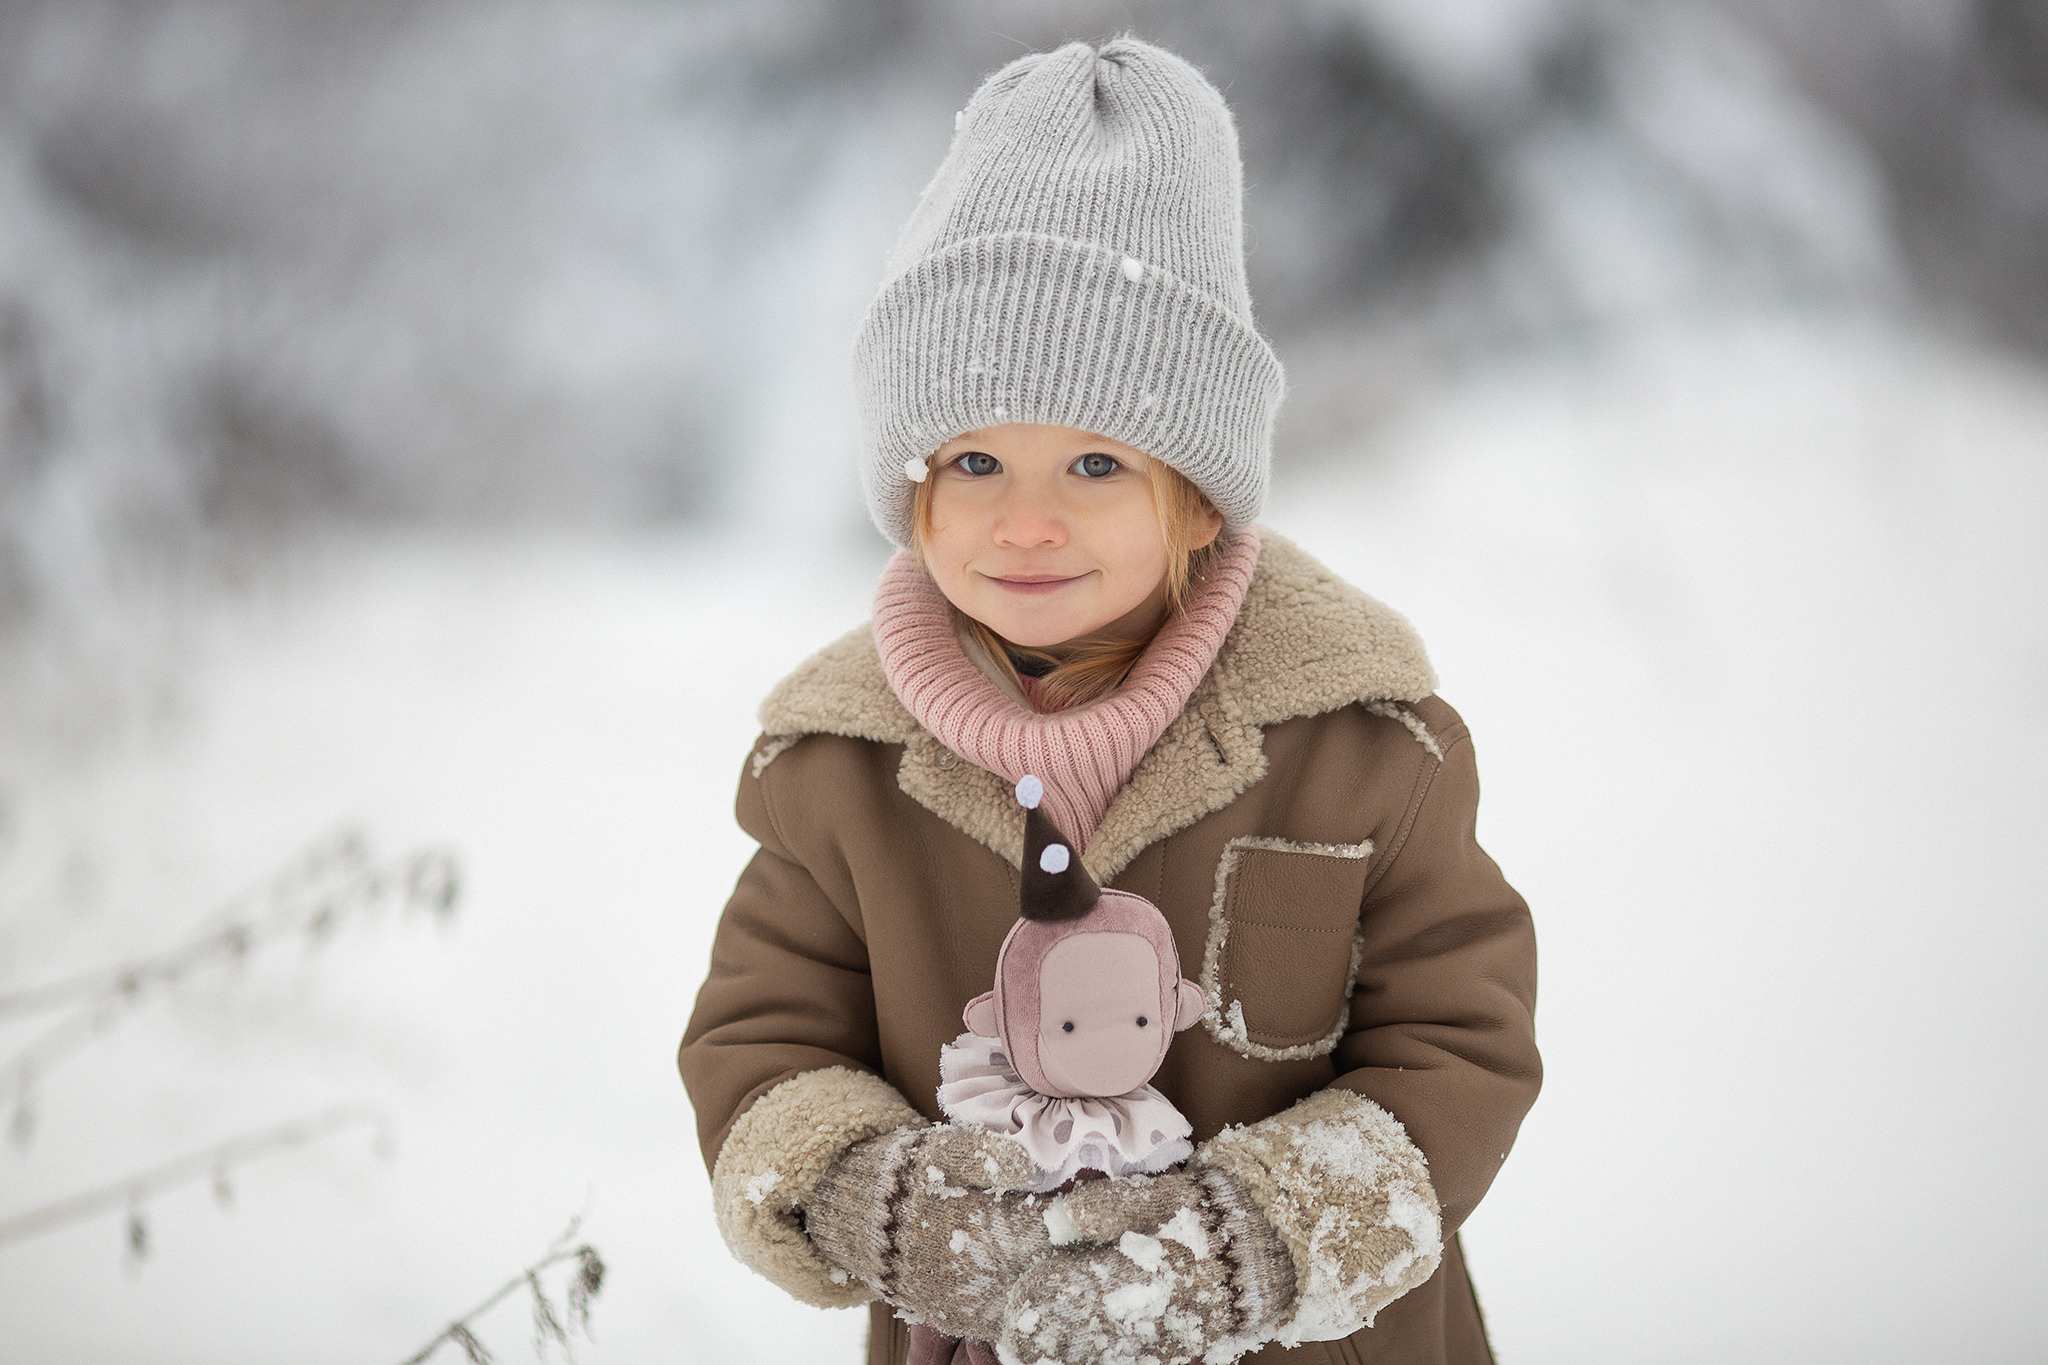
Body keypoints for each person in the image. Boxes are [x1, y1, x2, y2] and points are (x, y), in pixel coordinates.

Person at [677, 34, 1539, 1365]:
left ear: (1196, 494)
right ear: (910, 489)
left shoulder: (1360, 744)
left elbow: (1458, 1045)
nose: (1024, 521)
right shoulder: (837, 776)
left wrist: (1252, 1238)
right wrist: (877, 1197)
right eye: (972, 460)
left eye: (1091, 461)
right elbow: (760, 1045)